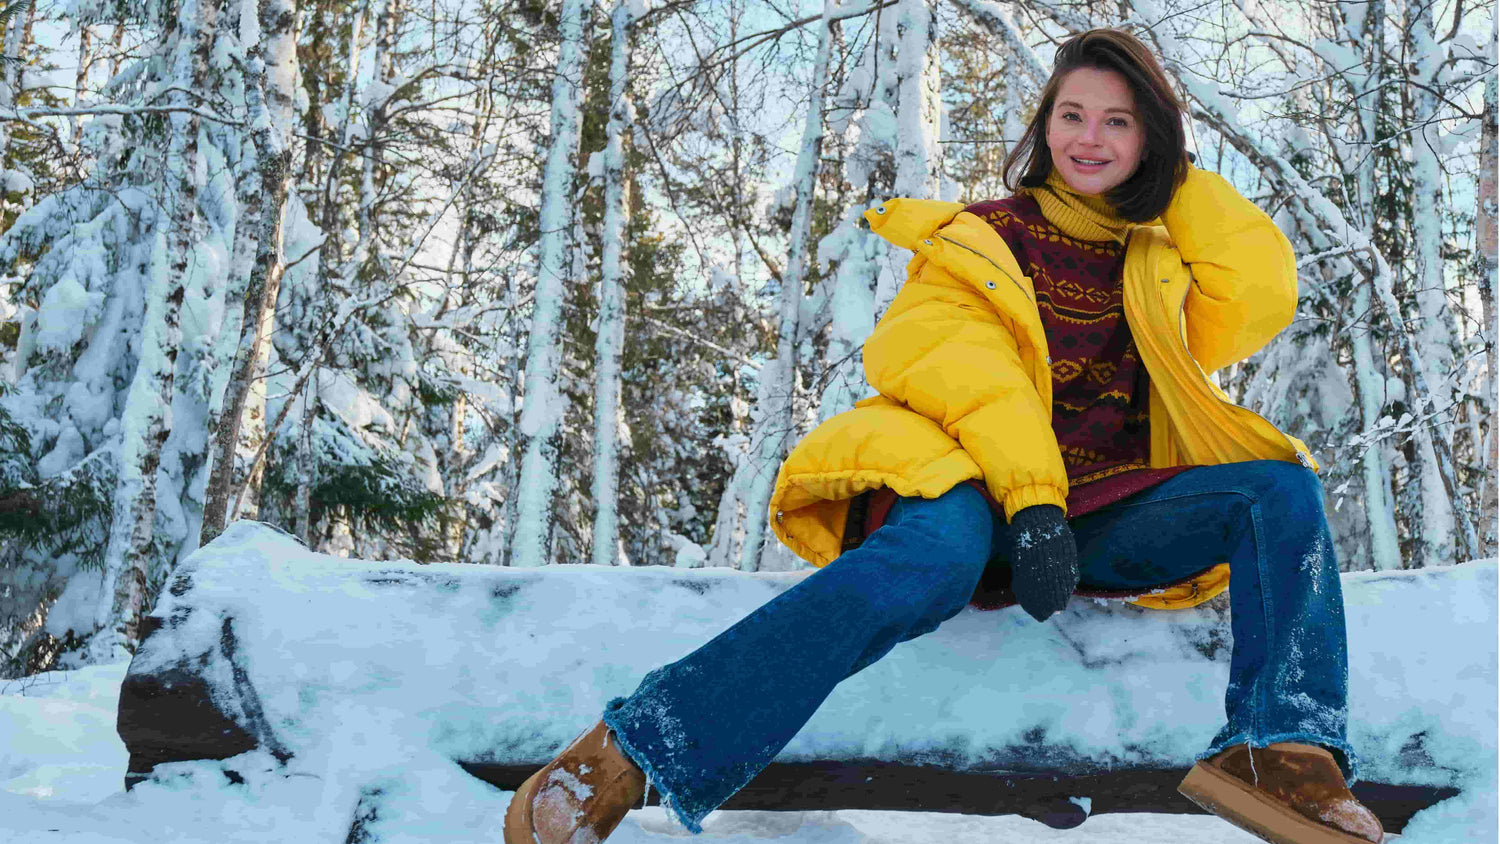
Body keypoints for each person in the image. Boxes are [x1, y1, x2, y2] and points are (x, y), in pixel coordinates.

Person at [504, 28, 1385, 844]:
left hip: (1091, 512)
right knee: (933, 559)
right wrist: (1032, 502)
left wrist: (1178, 181)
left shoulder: (1157, 264)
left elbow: (1261, 291)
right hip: (956, 483)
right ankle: (634, 749)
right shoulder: (977, 239)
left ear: (1151, 138)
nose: (1089, 136)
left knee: (1277, 490)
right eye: (1071, 114)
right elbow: (974, 380)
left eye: (1119, 122)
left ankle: (1281, 752)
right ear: (1043, 126)